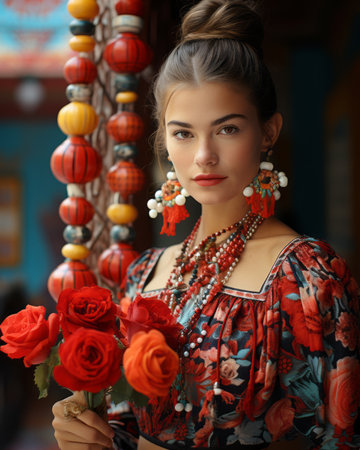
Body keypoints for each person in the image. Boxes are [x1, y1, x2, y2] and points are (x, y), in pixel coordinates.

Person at [51, 1, 360, 448]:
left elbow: (342, 437)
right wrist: (89, 432)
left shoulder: (308, 278)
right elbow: (129, 427)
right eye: (183, 133)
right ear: (163, 140)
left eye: (227, 129)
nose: (203, 156)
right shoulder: (144, 274)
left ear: (268, 131)